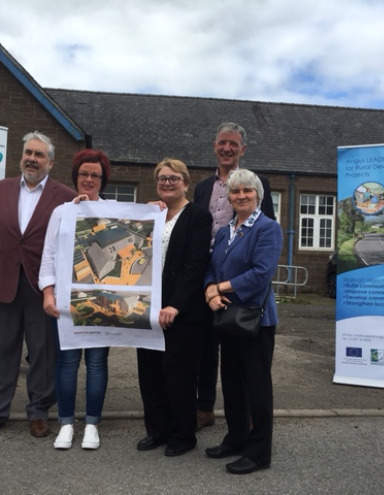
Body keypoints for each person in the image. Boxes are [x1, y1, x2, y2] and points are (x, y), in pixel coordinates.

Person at [0, 131, 77, 439]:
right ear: (21, 156)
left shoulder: (65, 196)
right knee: (1, 351)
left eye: (39, 154)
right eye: (28, 152)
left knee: (43, 353)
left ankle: (39, 412)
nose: (32, 158)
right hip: (3, 283)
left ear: (50, 162)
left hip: (43, 288)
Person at [193, 122, 275, 431]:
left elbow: (265, 232)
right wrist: (209, 286)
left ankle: (247, 415)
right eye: (222, 142)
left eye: (233, 143)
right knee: (205, 348)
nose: (227, 148)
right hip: (207, 276)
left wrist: (226, 286)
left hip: (241, 282)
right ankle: (204, 408)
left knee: (243, 353)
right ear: (215, 146)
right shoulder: (202, 187)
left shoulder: (256, 183)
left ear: (242, 149)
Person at [203, 169, 282, 475]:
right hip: (226, 317)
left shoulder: (267, 229)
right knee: (233, 383)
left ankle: (259, 452)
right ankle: (236, 437)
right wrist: (210, 292)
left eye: (247, 191)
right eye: (235, 192)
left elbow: (261, 274)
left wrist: (220, 288)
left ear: (258, 195)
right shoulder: (224, 231)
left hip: (255, 321)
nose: (241, 196)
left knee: (257, 387)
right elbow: (212, 268)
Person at [136, 158, 212, 457]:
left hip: (182, 312)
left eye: (173, 178)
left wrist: (176, 305)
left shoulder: (198, 216)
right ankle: (157, 431)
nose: (167, 183)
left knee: (178, 374)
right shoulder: (151, 215)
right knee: (150, 373)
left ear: (185, 182)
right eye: (162, 179)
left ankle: (183, 435)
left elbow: (195, 266)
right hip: (147, 308)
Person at [38, 149, 112, 451]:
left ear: (102, 179)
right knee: (67, 363)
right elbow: (49, 256)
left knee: (96, 363)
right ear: (76, 177)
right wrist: (48, 292)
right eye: (84, 174)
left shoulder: (112, 210)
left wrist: (157, 207)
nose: (89, 180)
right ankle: (66, 423)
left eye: (95, 175)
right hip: (67, 301)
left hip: (102, 301)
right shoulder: (61, 212)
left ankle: (92, 423)